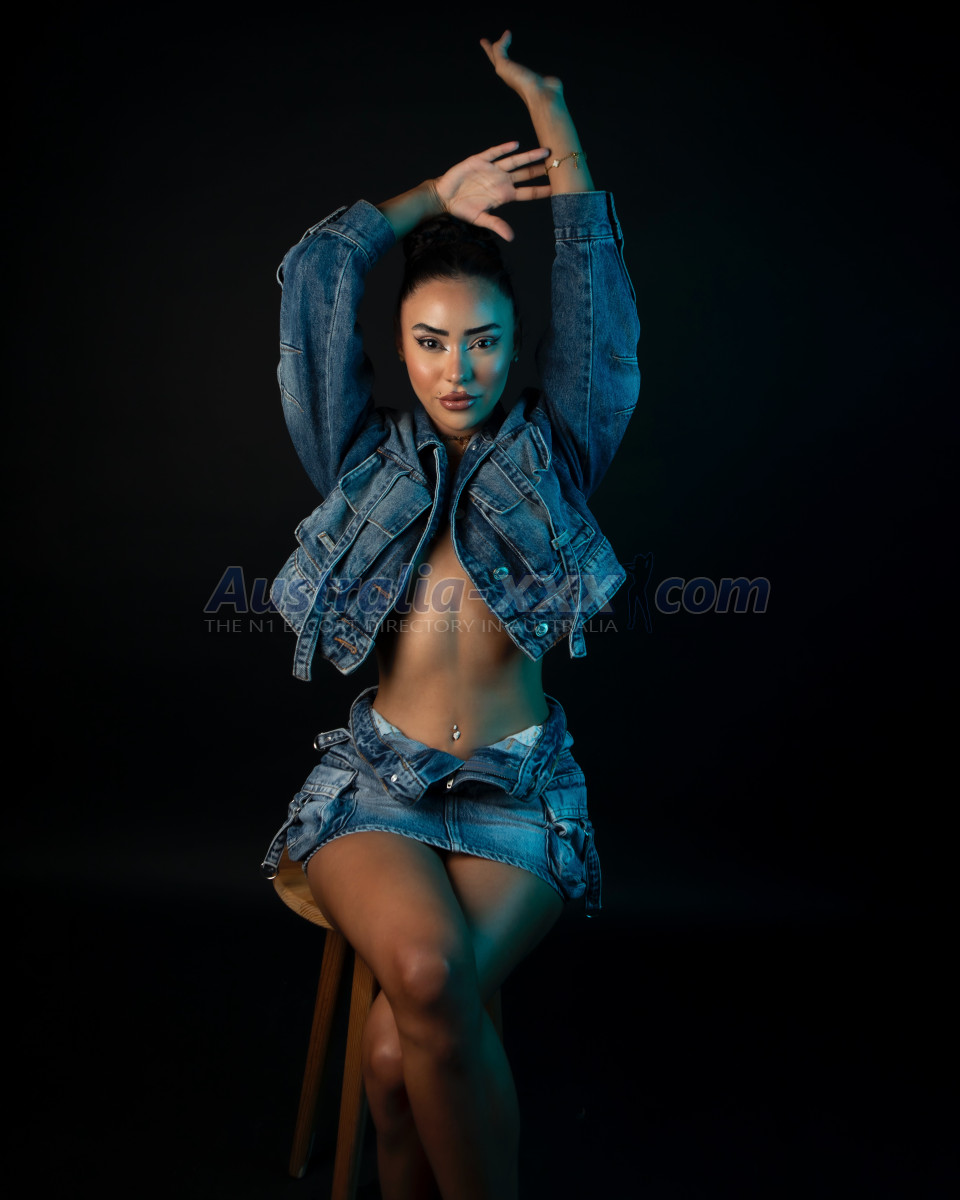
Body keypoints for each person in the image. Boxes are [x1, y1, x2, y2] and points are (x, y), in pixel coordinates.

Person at [261, 31, 640, 1200]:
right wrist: (434, 195)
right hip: (380, 782)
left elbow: (597, 299)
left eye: (481, 343)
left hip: (521, 790)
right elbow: (316, 273)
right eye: (430, 343)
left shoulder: (555, 450)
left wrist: (552, 113)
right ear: (401, 347)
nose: (456, 370)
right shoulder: (360, 456)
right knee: (425, 980)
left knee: (396, 1057)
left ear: (515, 347)